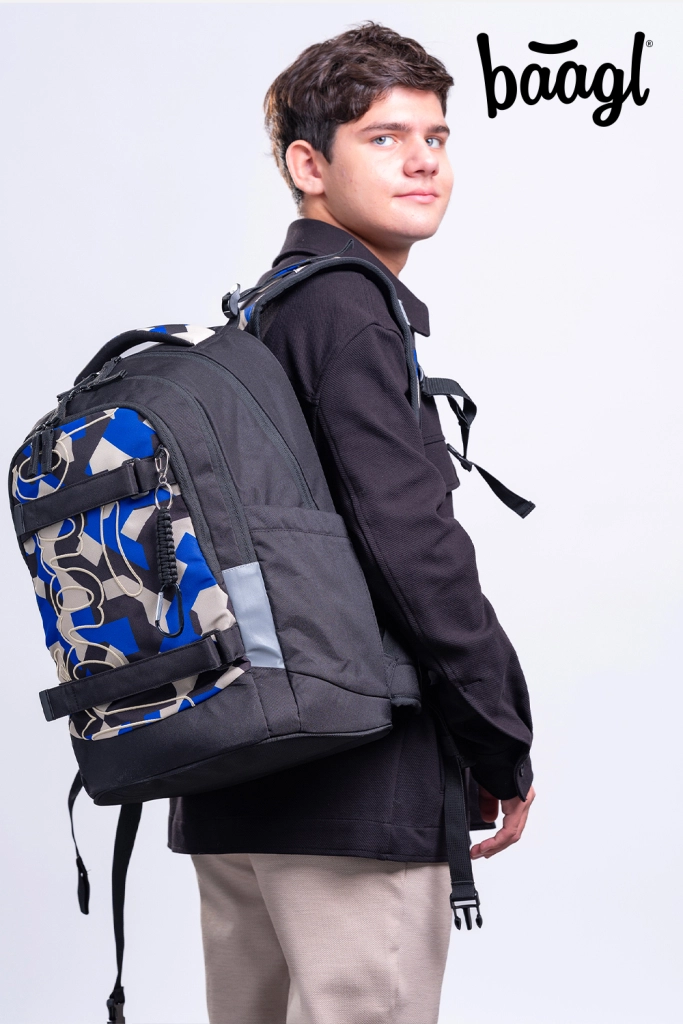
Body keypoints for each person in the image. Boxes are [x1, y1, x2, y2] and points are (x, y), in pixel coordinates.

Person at [168, 22, 535, 1024]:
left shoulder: (265, 311)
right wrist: (499, 735)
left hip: (236, 772)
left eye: (435, 136)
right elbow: (410, 545)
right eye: (383, 137)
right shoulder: (348, 311)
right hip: (350, 784)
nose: (422, 160)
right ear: (308, 165)